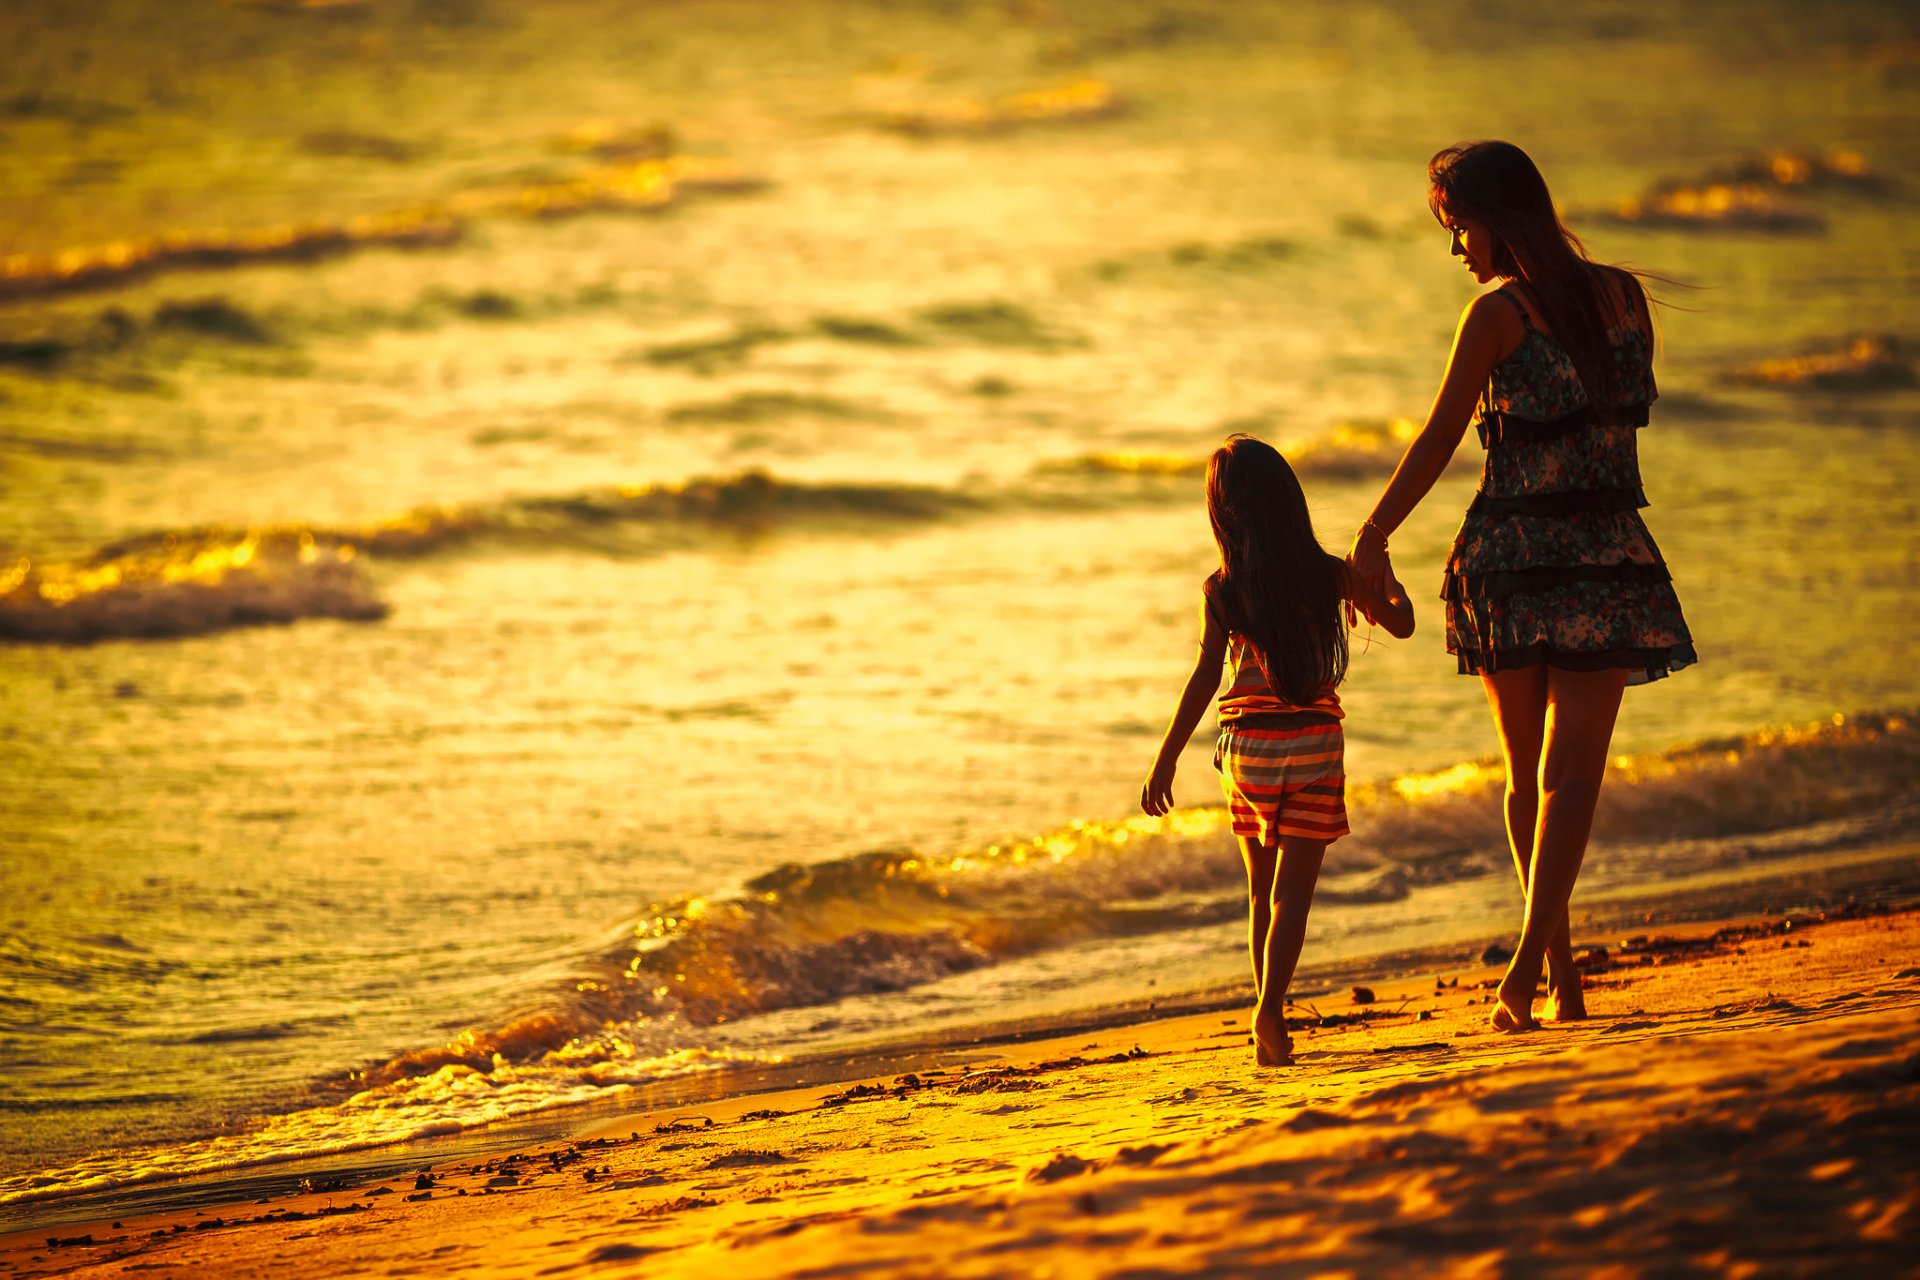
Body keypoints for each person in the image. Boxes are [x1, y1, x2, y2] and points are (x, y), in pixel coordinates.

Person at [1347, 140, 1697, 1033]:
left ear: (1496, 222)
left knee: (1535, 778)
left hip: (1515, 553)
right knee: (1567, 777)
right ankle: (1560, 977)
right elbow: (1616, 427)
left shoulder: (1498, 314)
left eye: (1459, 229)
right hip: (1605, 551)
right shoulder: (1624, 296)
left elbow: (1436, 440)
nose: (1458, 250)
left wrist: (1373, 535)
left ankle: (1525, 970)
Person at [1142, 434, 1413, 1067]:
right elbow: (1399, 623)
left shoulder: (1224, 589)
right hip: (1313, 745)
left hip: (1247, 755)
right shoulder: (1332, 574)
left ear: (1224, 516)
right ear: (1292, 502)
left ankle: (1265, 1012)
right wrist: (1388, 579)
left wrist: (1166, 756)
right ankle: (1269, 1008)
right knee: (1295, 894)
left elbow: (1205, 677)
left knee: (1260, 891)